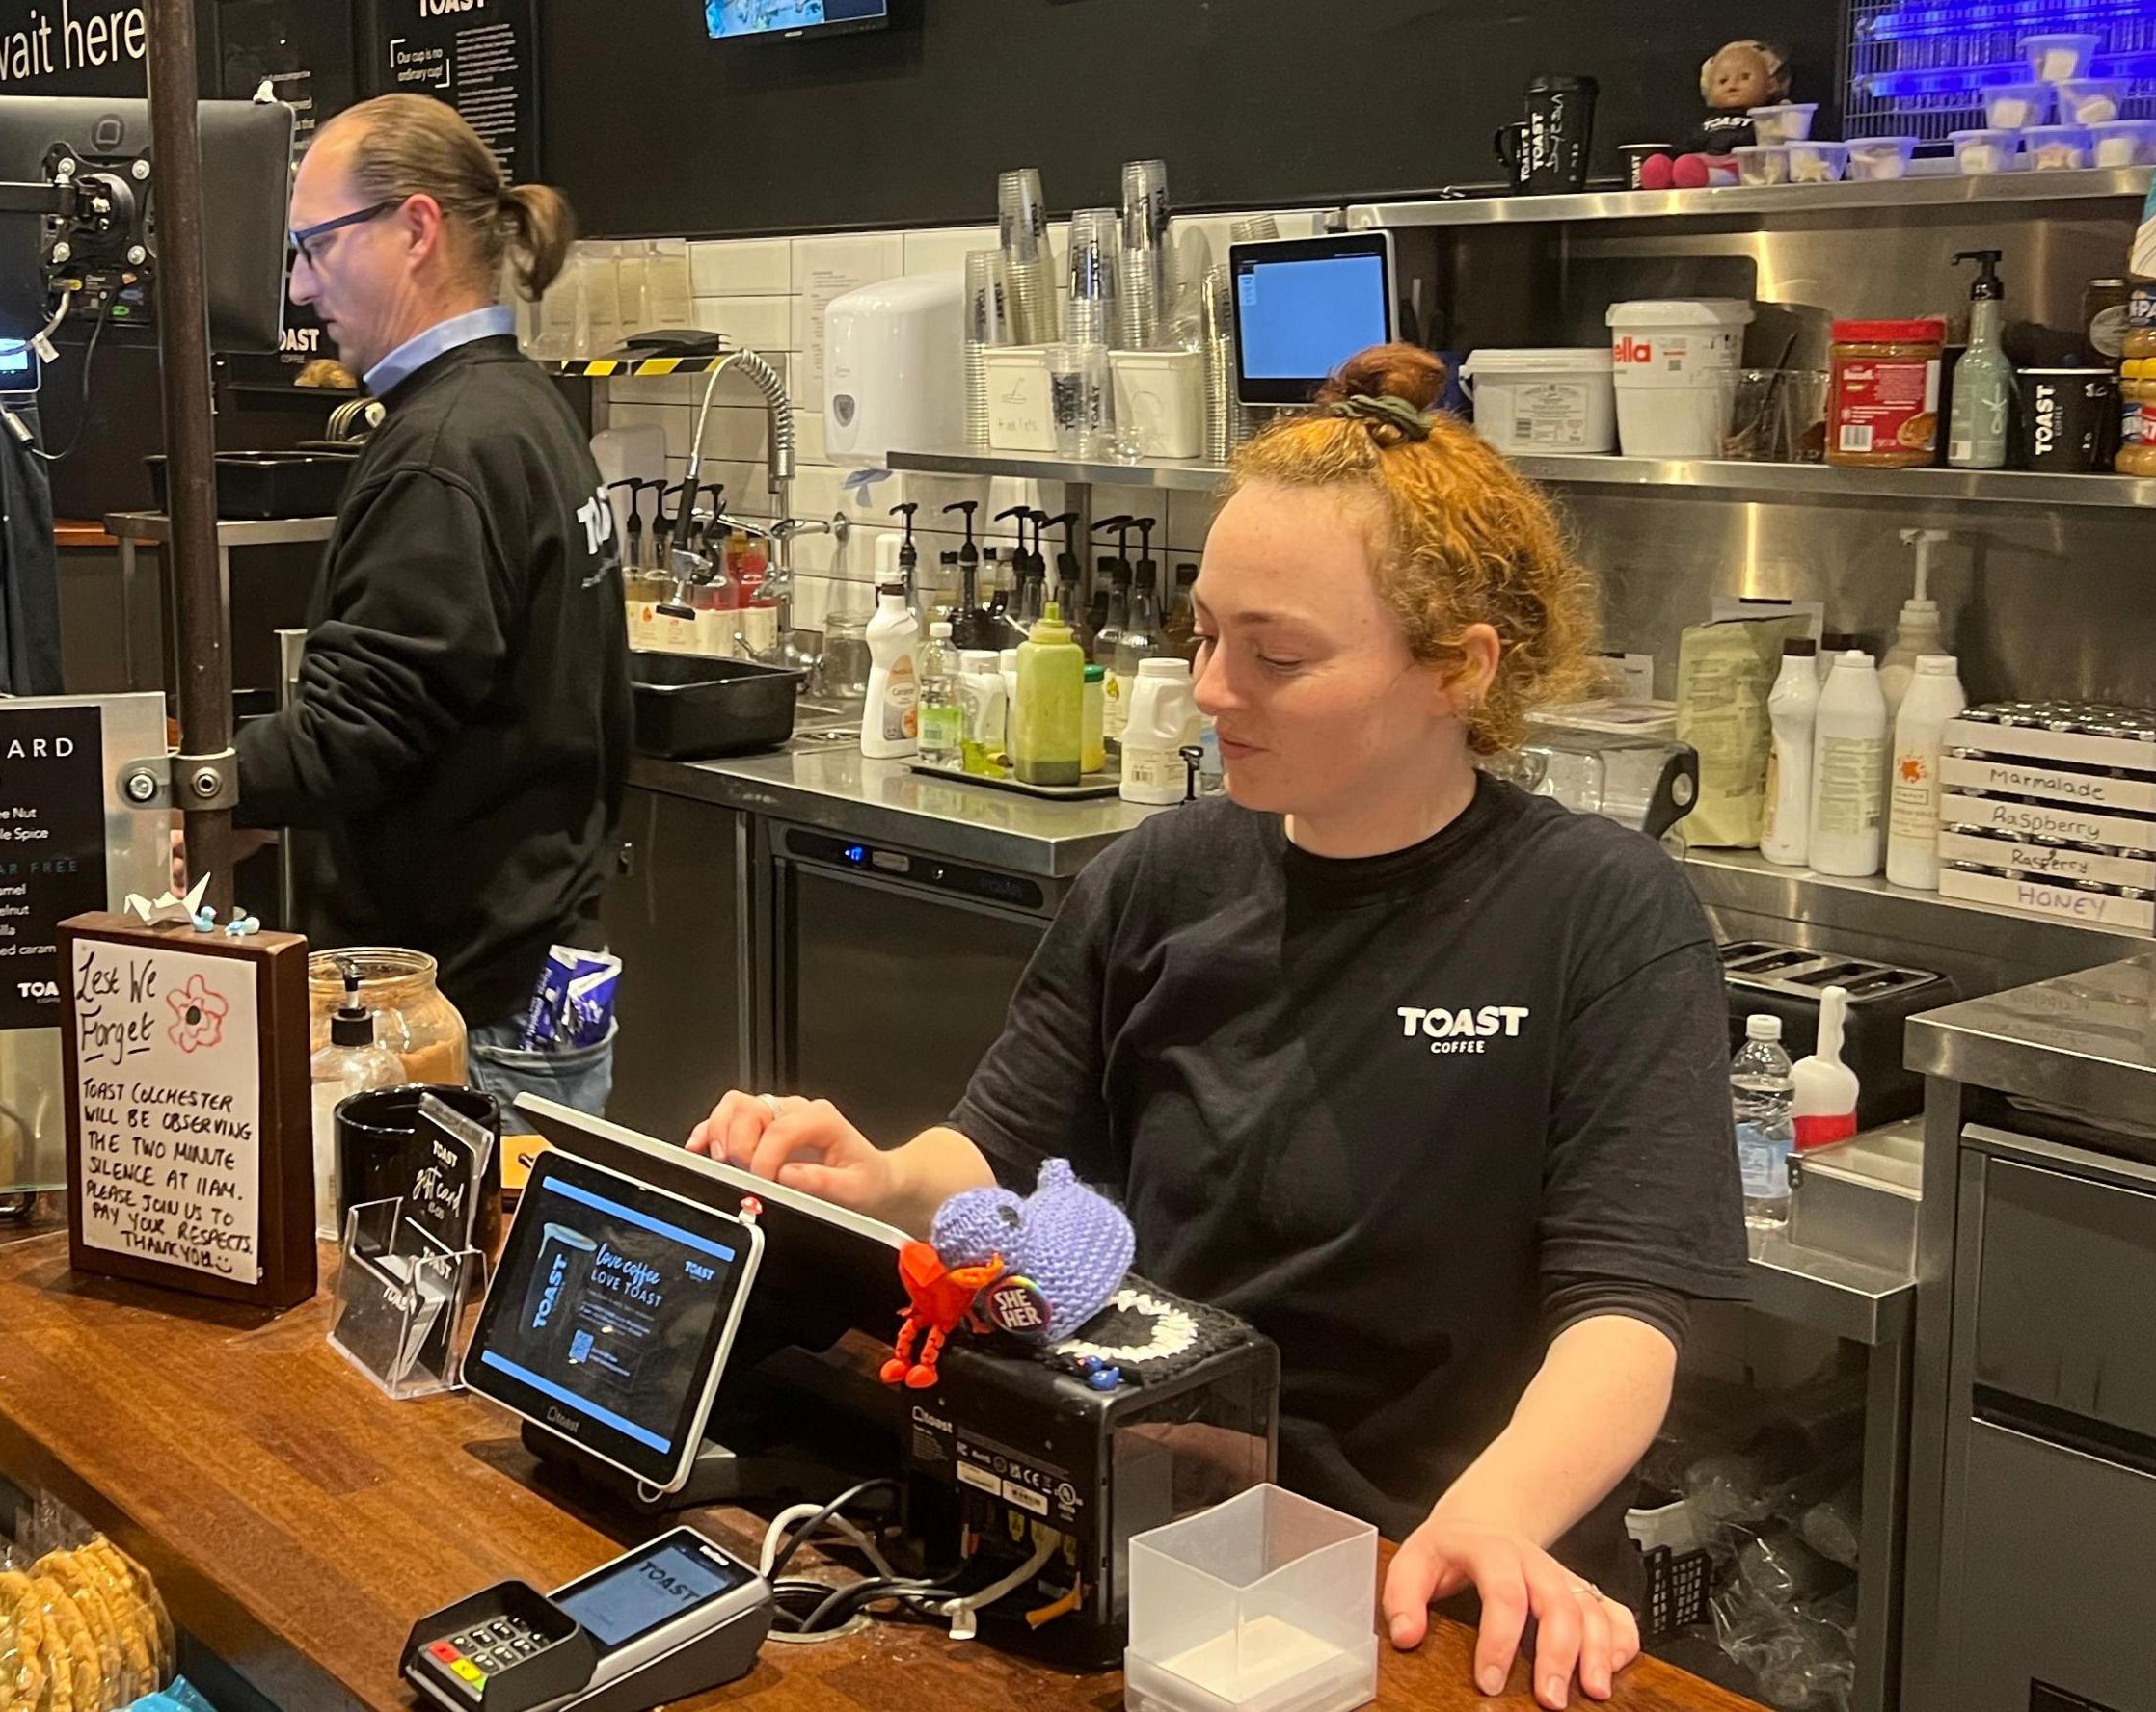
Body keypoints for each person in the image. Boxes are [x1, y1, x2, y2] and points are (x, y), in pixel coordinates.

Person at [689, 349, 1744, 1709]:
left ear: (1456, 671)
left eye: (1277, 654)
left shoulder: (1603, 914)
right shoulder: (1161, 875)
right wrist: (881, 1174)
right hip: (1149, 1538)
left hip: (1425, 1586)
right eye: (1204, 634)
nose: (1210, 689)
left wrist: (1492, 1518)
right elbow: (999, 1150)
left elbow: (1625, 1315)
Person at [234, 94, 625, 1111]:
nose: (298, 284)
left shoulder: (447, 448)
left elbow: (356, 731)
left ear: (414, 229)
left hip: (466, 1016)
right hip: (542, 979)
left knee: (437, 1279)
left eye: (315, 246)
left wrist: (199, 782)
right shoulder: (526, 408)